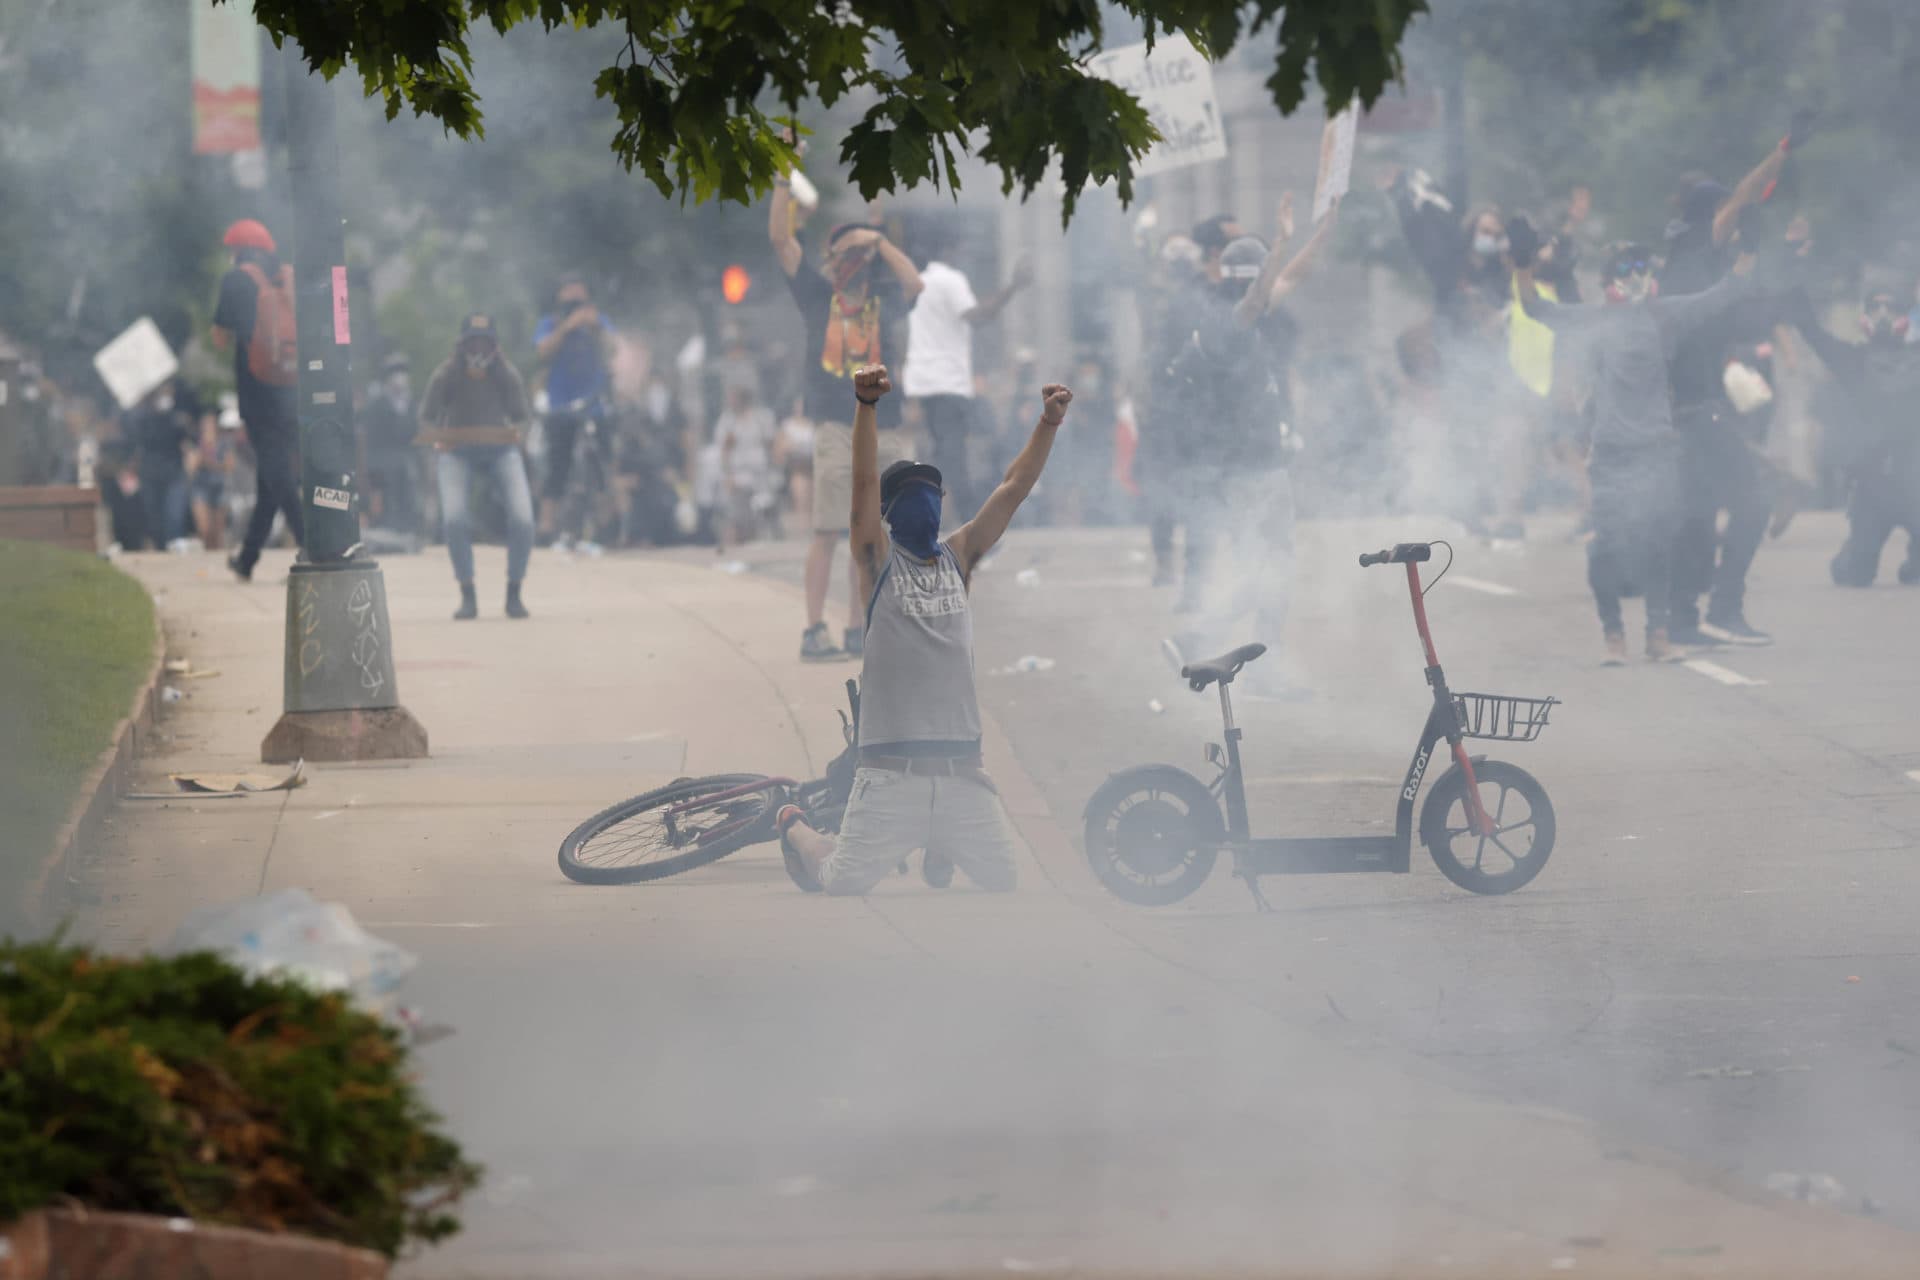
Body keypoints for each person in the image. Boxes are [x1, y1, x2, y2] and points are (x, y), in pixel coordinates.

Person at [776, 364, 1073, 895]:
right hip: (890, 777)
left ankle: (942, 841)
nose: (924, 499)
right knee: (840, 880)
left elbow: (1014, 487)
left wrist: (1047, 424)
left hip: (961, 775)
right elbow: (864, 485)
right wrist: (866, 407)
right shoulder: (878, 561)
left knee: (1005, 881)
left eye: (931, 490)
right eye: (910, 493)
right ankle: (798, 830)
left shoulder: (959, 555)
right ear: (887, 514)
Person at [1512, 224, 1769, 665]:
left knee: (1657, 543)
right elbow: (1536, 308)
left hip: (1657, 450)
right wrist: (1521, 266)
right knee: (1606, 547)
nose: (1636, 276)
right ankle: (1614, 634)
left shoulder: (1665, 314)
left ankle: (1658, 636)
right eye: (1627, 269)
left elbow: (1721, 295)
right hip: (1611, 453)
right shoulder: (1596, 319)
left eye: (1642, 268)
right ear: (1611, 277)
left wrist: (1747, 255)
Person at [1160, 194, 1339, 696]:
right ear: (1245, 277)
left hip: (1252, 466)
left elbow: (1289, 280)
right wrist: (1280, 241)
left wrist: (1320, 233)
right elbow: (1262, 295)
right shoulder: (1223, 322)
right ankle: (1211, 640)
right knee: (1270, 566)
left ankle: (1247, 652)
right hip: (1248, 468)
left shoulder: (1235, 312)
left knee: (1271, 563)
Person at [1658, 121, 1809, 646]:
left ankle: (1682, 618)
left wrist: (1778, 165)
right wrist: (1781, 151)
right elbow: (1746, 194)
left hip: (1692, 408)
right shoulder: (1700, 245)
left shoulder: (1686, 256)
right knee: (1749, 495)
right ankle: (1717, 610)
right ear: (1711, 215)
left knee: (1700, 510)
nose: (1740, 220)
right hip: (1691, 412)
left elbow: (1751, 197)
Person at [768, 178, 924, 661]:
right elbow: (780, 239)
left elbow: (915, 283)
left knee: (877, 530)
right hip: (836, 425)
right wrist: (780, 182)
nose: (853, 259)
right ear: (830, 256)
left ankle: (861, 626)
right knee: (829, 528)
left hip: (885, 423)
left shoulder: (882, 296)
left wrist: (877, 242)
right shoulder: (818, 294)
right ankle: (814, 629)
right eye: (844, 249)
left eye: (858, 250)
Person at [1786, 284, 1920, 586]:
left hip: (1916, 485)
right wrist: (1793, 285)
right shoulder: (1854, 361)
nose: (1883, 316)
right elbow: (1815, 335)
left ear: (1907, 314)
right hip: (1873, 489)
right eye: (1875, 307)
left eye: (1892, 308)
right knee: (1853, 573)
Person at [904, 226, 1031, 521]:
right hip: (947, 381)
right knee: (954, 456)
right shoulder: (951, 280)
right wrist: (1012, 287)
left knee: (943, 453)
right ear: (950, 249)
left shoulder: (919, 282)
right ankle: (973, 526)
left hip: (924, 381)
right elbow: (977, 315)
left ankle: (935, 518)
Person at [418, 314, 535, 620]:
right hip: (457, 451)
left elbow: (523, 415)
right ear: (462, 345)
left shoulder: (506, 374)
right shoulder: (446, 374)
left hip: (500, 449)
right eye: (473, 342)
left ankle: (514, 591)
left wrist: (517, 436)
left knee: (523, 517)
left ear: (495, 346)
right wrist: (438, 440)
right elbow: (426, 416)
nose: (478, 350)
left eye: (485, 343)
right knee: (454, 518)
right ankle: (467, 592)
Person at [210, 218, 304, 580]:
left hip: (257, 388)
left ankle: (311, 545)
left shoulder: (236, 281)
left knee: (276, 471)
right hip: (294, 386)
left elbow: (220, 337)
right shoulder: (289, 277)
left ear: (237, 251)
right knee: (271, 474)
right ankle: (248, 558)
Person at [533, 275, 615, 543]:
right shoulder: (551, 324)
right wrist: (567, 327)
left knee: (601, 463)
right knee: (557, 466)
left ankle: (605, 524)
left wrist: (595, 329)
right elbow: (542, 352)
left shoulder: (598, 322)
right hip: (560, 406)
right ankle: (546, 526)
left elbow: (613, 350)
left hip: (594, 405)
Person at [126, 379, 198, 548]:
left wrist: (188, 425)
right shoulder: (142, 418)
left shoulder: (178, 418)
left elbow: (192, 440)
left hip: (174, 473)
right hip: (150, 474)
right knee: (154, 517)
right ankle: (161, 548)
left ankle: (174, 548)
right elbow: (133, 436)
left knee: (174, 515)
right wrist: (142, 404)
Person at [362, 353, 421, 541]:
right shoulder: (377, 404)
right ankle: (388, 532)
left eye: (402, 372)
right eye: (395, 373)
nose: (400, 377)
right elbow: (372, 438)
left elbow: (415, 434)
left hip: (406, 458)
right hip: (382, 460)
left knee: (409, 488)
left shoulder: (411, 403)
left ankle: (408, 530)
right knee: (388, 494)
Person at [714, 382, 777, 548]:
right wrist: (727, 476)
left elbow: (771, 445)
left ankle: (757, 544)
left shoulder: (762, 418)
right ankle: (732, 546)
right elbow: (724, 451)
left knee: (761, 512)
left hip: (760, 475)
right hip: (737, 475)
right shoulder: (727, 421)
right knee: (735, 515)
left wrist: (774, 471)